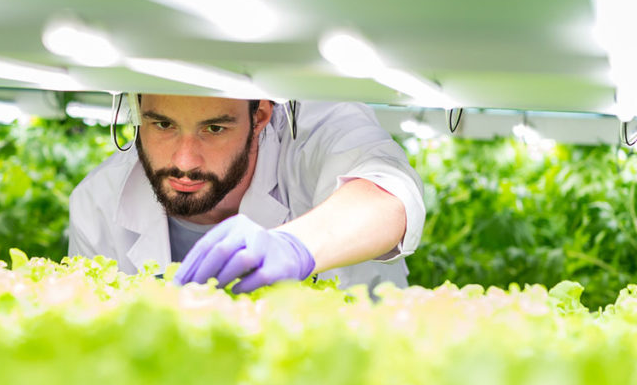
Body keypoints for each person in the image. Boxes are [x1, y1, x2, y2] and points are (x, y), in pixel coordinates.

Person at [68, 94, 424, 294]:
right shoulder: (98, 201)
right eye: (163, 125)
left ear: (261, 116)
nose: (184, 160)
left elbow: (389, 191)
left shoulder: (313, 131)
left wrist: (293, 246)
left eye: (215, 128)